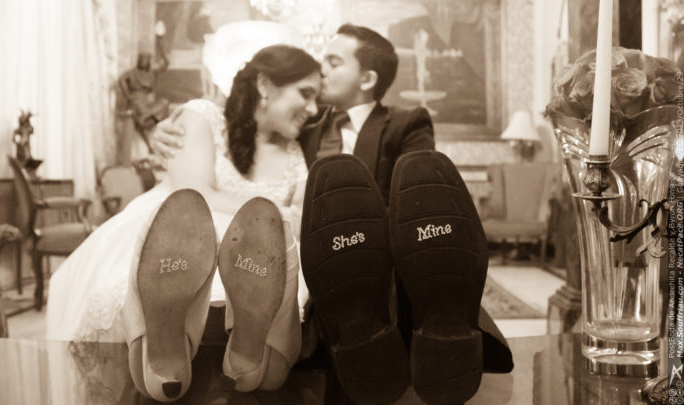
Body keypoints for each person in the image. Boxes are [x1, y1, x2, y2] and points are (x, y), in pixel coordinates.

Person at [153, 24, 513, 404]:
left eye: (333, 61)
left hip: (387, 247)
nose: (321, 69)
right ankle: (383, 338)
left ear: (367, 79)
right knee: (329, 265)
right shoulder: (302, 125)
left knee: (420, 248)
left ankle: (439, 330)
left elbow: (417, 195)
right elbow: (246, 124)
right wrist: (168, 128)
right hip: (325, 252)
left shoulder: (405, 122)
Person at [46, 45, 322, 401]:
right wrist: (273, 215)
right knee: (184, 236)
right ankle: (172, 338)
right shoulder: (201, 117)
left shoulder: (296, 153)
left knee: (268, 260)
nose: (313, 109)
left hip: (253, 253)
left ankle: (234, 347)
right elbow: (194, 194)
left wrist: (279, 221)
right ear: (265, 85)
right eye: (306, 93)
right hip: (182, 227)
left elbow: (301, 219)